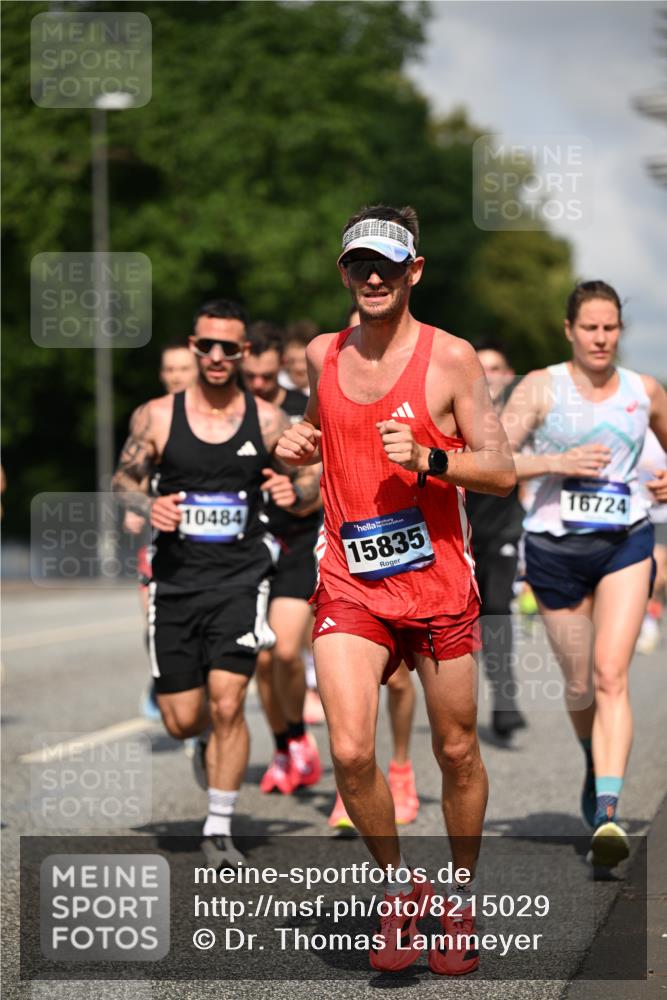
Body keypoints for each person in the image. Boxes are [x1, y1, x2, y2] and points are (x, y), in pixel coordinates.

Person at [277, 204, 515, 975]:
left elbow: (502, 470)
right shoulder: (322, 352)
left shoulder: (450, 360)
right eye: (357, 264)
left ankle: (457, 896)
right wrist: (294, 447)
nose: (371, 276)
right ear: (343, 271)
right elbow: (319, 429)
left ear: (414, 271)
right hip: (350, 580)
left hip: (439, 583)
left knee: (456, 751)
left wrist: (430, 458)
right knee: (348, 749)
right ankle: (397, 889)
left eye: (386, 263)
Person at [112, 298, 320, 869]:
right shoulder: (155, 416)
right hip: (175, 583)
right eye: (209, 345)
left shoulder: (269, 419)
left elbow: (313, 484)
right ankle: (200, 741)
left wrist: (293, 494)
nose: (219, 356)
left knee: (230, 703)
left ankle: (219, 826)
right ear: (195, 346)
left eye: (231, 346)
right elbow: (124, 480)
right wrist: (149, 503)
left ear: (245, 352)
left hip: (241, 580)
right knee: (184, 716)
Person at [501, 280, 667, 868]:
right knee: (578, 684)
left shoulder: (644, 391)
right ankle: (593, 759)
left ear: (621, 331)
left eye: (611, 328)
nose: (601, 338)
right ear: (569, 330)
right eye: (590, 328)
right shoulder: (541, 387)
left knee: (609, 674)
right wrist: (556, 461)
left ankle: (608, 809)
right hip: (553, 548)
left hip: (626, 540)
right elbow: (495, 460)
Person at [328, 306, 421, 830]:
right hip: (346, 560)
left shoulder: (420, 372)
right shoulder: (332, 376)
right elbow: (312, 444)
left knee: (401, 684)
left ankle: (402, 767)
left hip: (411, 561)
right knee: (347, 704)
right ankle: (355, 779)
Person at [241, 325, 323, 793]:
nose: (257, 386)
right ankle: (286, 742)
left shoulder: (298, 413)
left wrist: (294, 491)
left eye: (267, 378)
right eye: (249, 377)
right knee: (261, 660)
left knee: (285, 649)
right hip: (246, 550)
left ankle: (295, 737)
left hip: (294, 543)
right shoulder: (230, 412)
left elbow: (318, 486)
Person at [127, 341, 199, 722]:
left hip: (214, 548)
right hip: (160, 543)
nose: (175, 376)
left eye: (182, 369)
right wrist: (138, 507)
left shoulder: (221, 414)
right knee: (156, 621)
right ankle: (165, 676)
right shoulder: (149, 415)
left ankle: (197, 696)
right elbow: (129, 475)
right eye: (169, 369)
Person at [466, 339, 527, 739]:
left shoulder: (522, 420)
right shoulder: (458, 416)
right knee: (467, 621)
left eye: (497, 369)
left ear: (508, 376)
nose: (489, 377)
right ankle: (460, 706)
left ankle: (504, 701)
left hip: (505, 533)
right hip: (461, 535)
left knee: (498, 612)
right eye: (481, 369)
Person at [636, 429, 667, 653]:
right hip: (636, 513)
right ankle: (647, 619)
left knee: (657, 575)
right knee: (646, 572)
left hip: (663, 515)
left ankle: (651, 617)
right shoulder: (633, 428)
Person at [278, 320, 317, 393]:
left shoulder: (325, 389)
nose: (298, 367)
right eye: (291, 361)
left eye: (305, 361)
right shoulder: (274, 386)